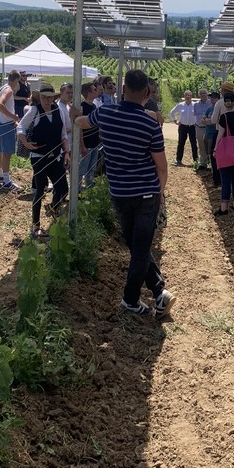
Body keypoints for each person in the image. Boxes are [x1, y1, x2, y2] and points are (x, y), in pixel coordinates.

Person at [75, 69, 174, 318]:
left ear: (122, 90)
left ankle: (159, 291)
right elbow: (161, 166)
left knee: (135, 244)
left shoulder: (105, 113)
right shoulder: (149, 124)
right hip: (146, 193)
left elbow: (83, 122)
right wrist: (160, 193)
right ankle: (131, 299)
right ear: (146, 93)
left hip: (120, 192)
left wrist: (76, 117)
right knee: (138, 246)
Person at [18, 83, 69, 239]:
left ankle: (53, 207)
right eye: (44, 98)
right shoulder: (34, 110)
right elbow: (20, 128)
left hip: (56, 156)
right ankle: (36, 226)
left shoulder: (58, 111)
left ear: (54, 98)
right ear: (40, 98)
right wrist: (26, 143)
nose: (47, 101)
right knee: (39, 191)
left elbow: (63, 135)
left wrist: (66, 152)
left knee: (63, 188)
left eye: (50, 98)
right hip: (39, 158)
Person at [213, 91, 234, 215]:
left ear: (225, 104)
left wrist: (216, 149)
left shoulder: (223, 118)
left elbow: (220, 135)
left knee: (225, 178)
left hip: (226, 151)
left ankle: (224, 207)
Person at [0, 69, 22, 191]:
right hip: (6, 125)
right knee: (7, 153)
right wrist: (13, 117)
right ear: (16, 80)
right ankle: (6, 181)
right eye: (19, 81)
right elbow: (0, 105)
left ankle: (0, 174)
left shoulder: (2, 88)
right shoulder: (9, 90)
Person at [77, 81, 103, 188]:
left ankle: (89, 186)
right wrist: (82, 146)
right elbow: (79, 129)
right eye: (94, 89)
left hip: (94, 142)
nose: (97, 91)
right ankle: (77, 189)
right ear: (89, 93)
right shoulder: (82, 107)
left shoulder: (93, 106)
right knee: (82, 168)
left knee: (91, 167)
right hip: (86, 143)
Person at [169, 90, 199, 166]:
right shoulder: (180, 105)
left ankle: (196, 161)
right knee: (181, 143)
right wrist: (175, 120)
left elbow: (200, 114)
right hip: (183, 127)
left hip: (192, 127)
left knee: (194, 144)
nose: (188, 96)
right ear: (184, 96)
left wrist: (197, 122)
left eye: (189, 95)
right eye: (186, 95)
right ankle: (178, 160)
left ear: (191, 96)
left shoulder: (195, 105)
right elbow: (172, 112)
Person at [204, 90, 221, 186]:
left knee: (213, 155)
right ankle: (214, 174)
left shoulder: (218, 109)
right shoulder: (209, 108)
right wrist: (208, 121)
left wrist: (208, 121)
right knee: (209, 153)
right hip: (208, 132)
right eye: (211, 97)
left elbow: (212, 121)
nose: (212, 99)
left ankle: (216, 178)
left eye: (214, 98)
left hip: (215, 133)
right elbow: (204, 119)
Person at [193, 88, 210, 171]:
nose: (203, 95)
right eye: (201, 93)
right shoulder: (196, 105)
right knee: (201, 145)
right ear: (199, 95)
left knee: (209, 145)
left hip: (209, 128)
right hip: (199, 128)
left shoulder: (211, 103)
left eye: (204, 93)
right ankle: (203, 163)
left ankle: (211, 162)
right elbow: (195, 114)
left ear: (207, 94)